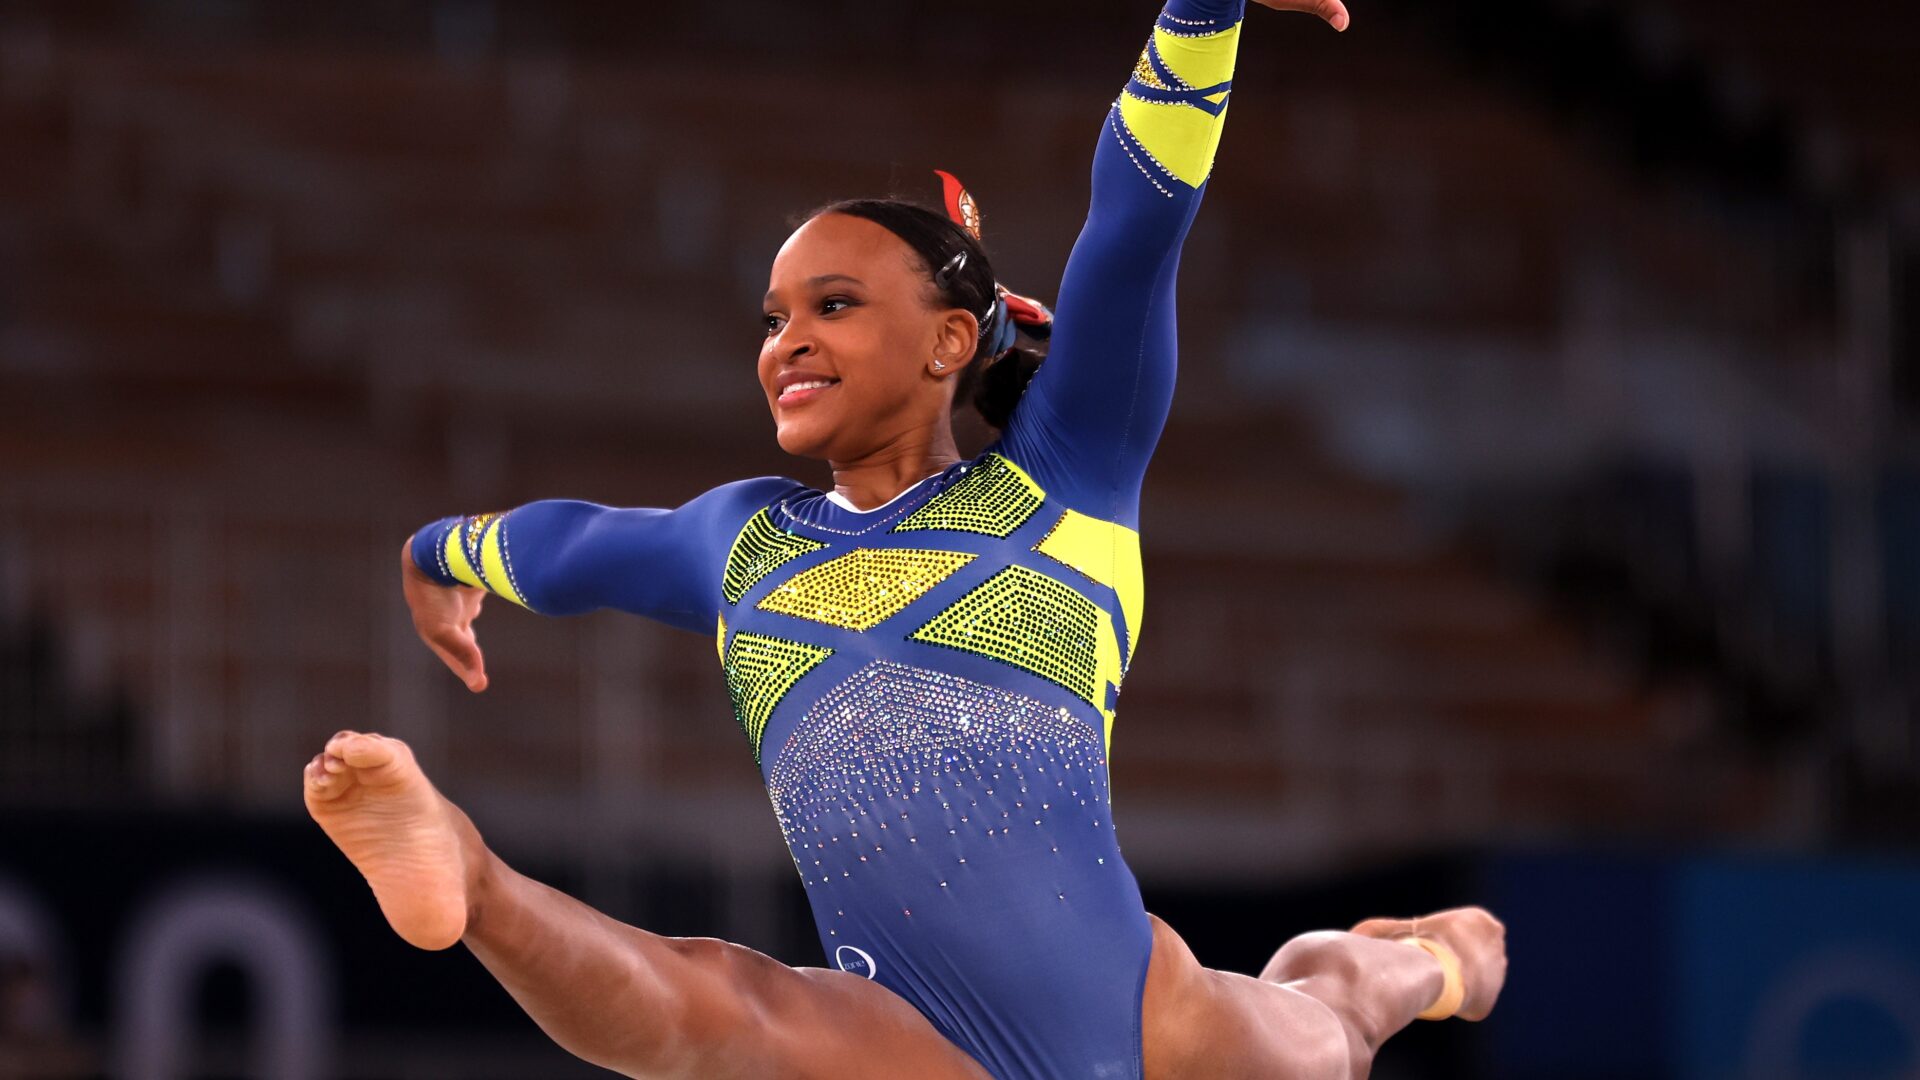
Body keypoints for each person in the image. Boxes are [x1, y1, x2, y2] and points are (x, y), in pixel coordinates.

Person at [306, 0, 1508, 1075]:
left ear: (947, 343)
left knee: (1335, 1022)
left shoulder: (1066, 482)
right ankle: (470, 882)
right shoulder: (742, 545)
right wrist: (437, 556)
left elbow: (1138, 223)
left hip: (1145, 1021)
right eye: (775, 317)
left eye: (835, 307)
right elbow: (568, 548)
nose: (787, 340)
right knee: (719, 1013)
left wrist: (1201, 11)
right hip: (915, 1032)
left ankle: (1428, 962)